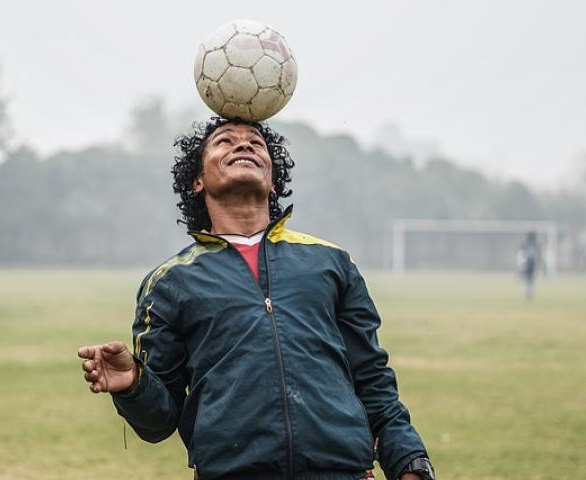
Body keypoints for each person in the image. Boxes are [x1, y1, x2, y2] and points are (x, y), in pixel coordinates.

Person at [77, 118, 433, 480]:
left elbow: (373, 382)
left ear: (273, 180)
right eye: (225, 141)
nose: (244, 145)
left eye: (256, 142)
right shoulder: (170, 281)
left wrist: (410, 463)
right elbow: (158, 423)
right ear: (197, 180)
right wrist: (134, 383)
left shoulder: (331, 262)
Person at [516, 231, 540, 300]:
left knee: (527, 278)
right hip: (532, 263)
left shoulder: (525, 244)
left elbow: (522, 253)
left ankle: (527, 291)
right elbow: (538, 254)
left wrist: (521, 264)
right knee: (531, 278)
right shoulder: (536, 244)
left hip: (526, 263)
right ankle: (530, 291)